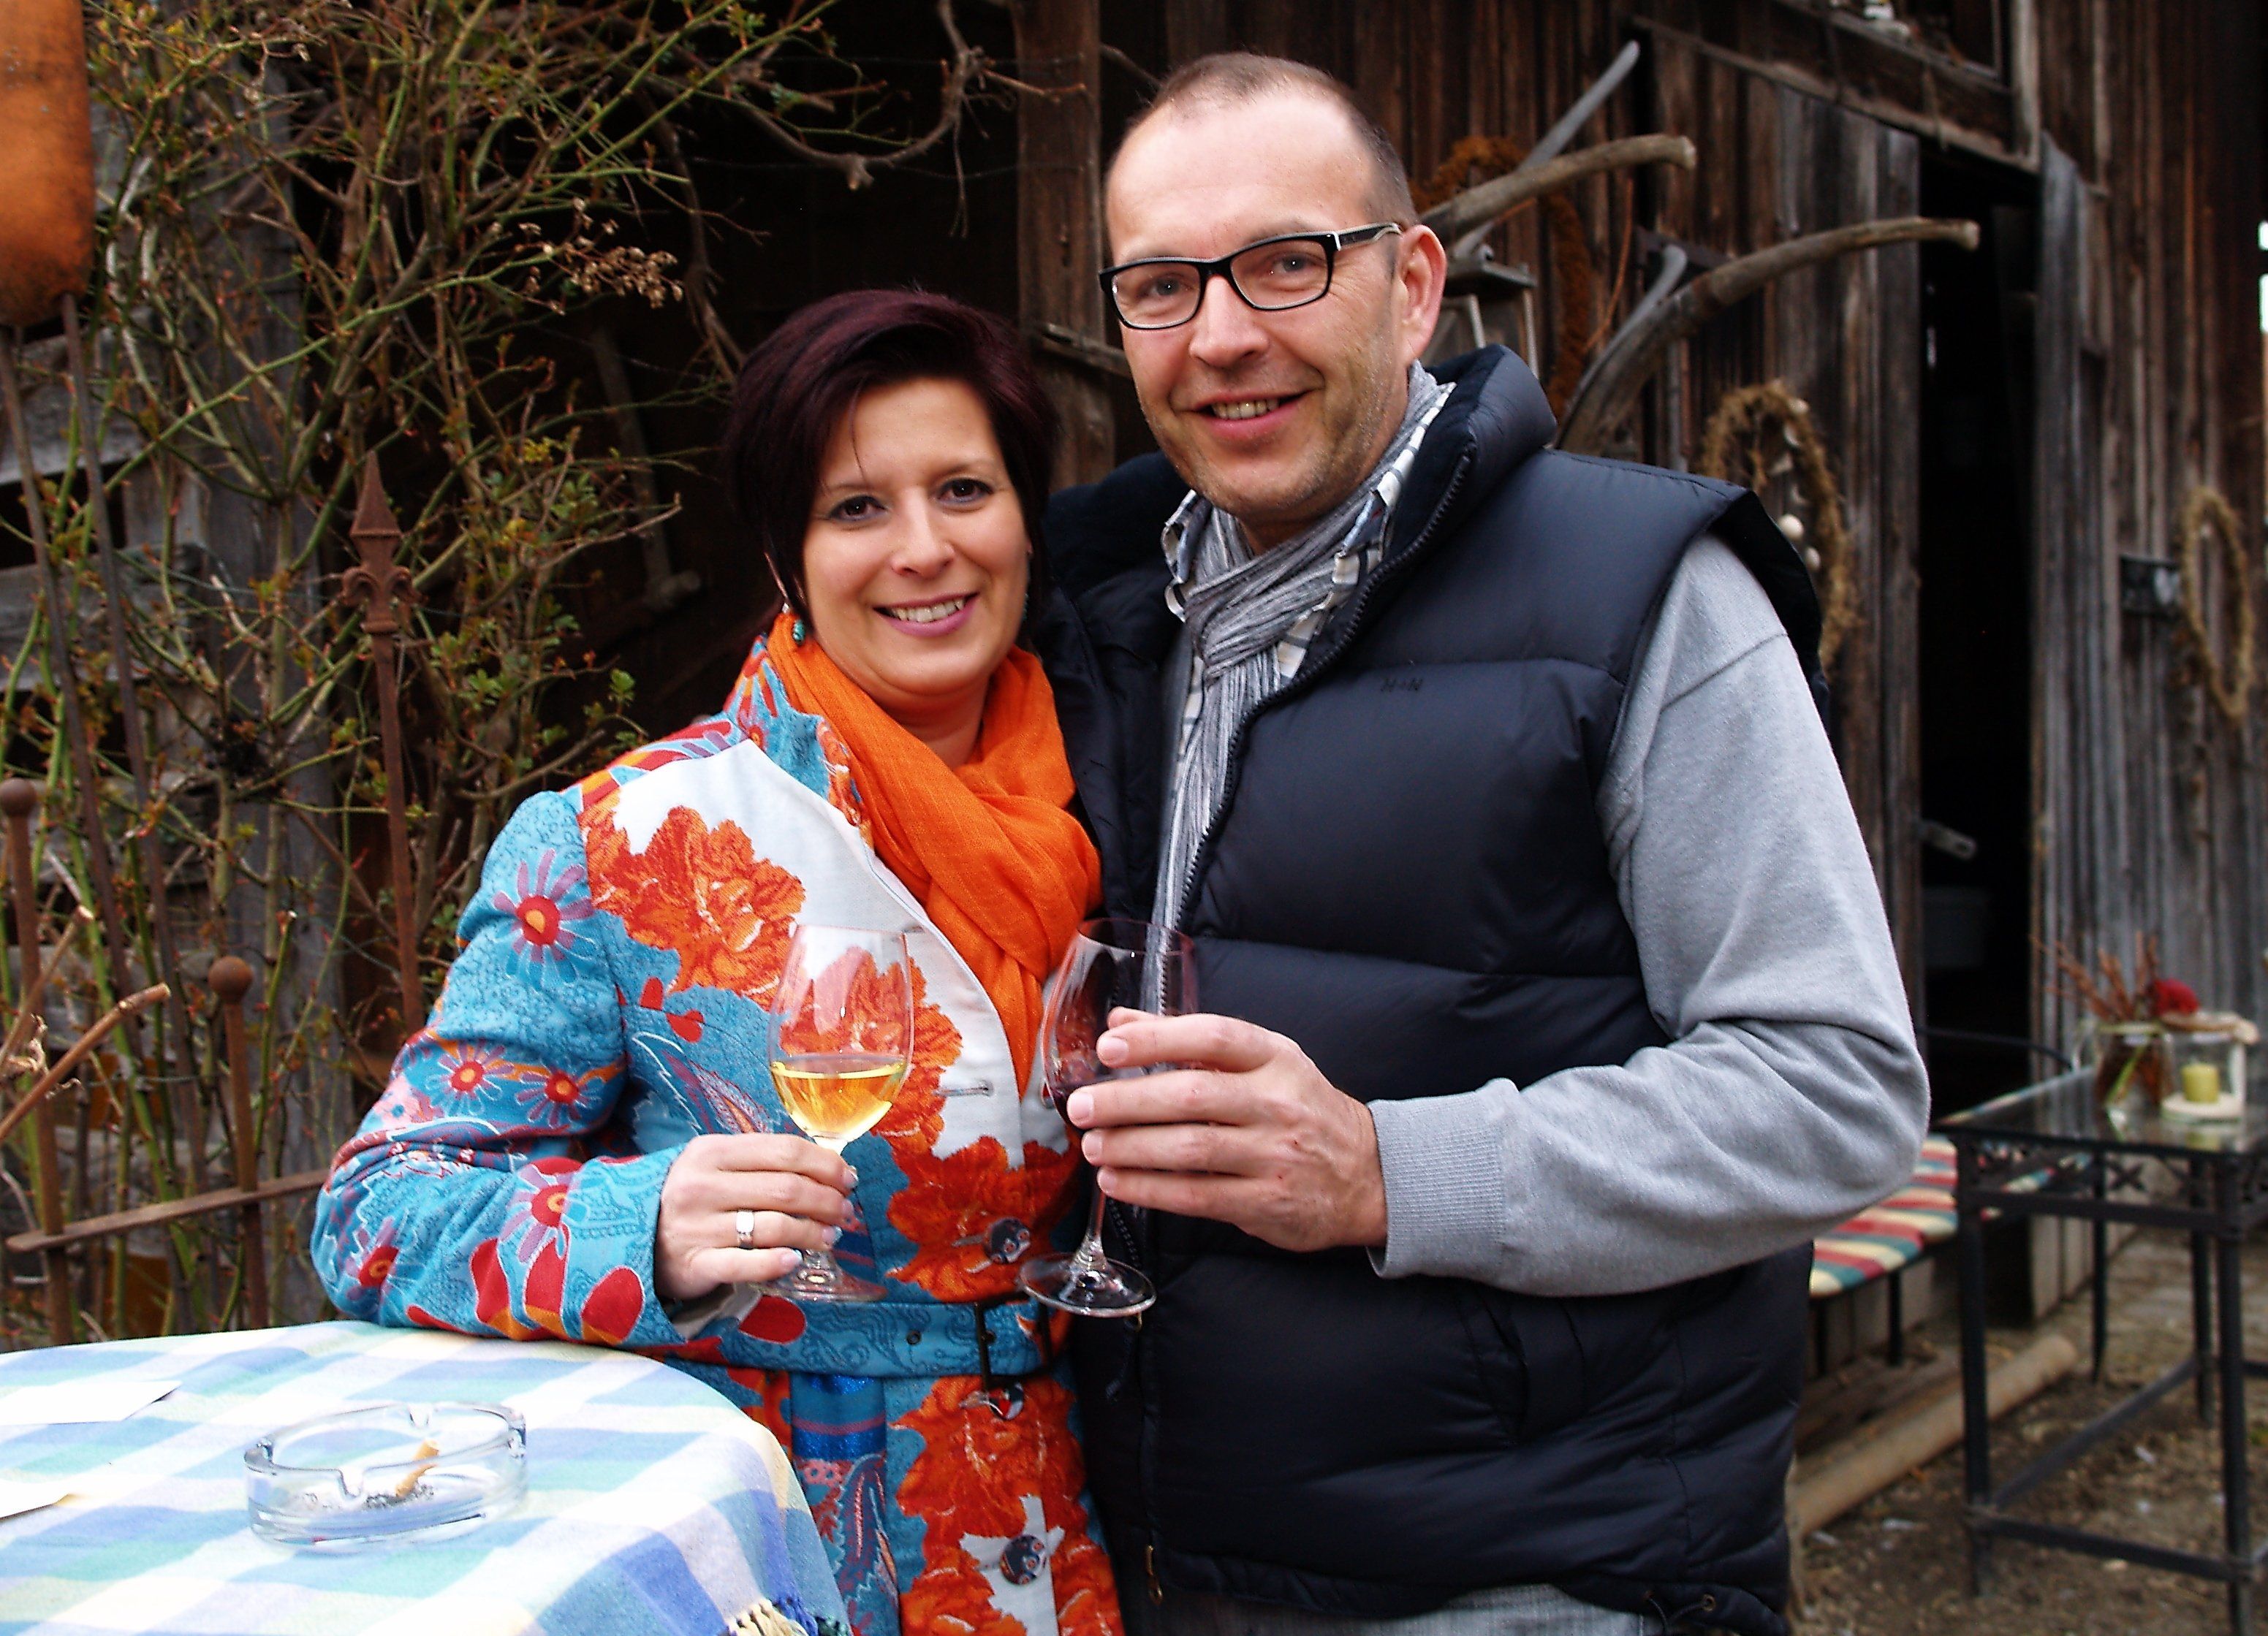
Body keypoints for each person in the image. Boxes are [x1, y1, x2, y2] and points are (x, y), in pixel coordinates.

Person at [1036, 53, 1930, 1636]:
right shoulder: (1102, 608)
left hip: (1524, 1578)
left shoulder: (1640, 594)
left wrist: (1388, 1172)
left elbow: (1834, 1088)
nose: (1221, 335)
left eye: (1285, 262)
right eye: (1162, 286)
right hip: (1159, 1563)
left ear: (1412, 286)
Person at [312, 290, 1127, 1636]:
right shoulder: (622, 840)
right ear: (782, 553)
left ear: (1026, 518)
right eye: (856, 508)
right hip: (783, 1541)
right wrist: (644, 1227)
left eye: (964, 489)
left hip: (1090, 1530)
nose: (924, 548)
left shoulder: (1124, 792)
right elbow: (377, 1209)